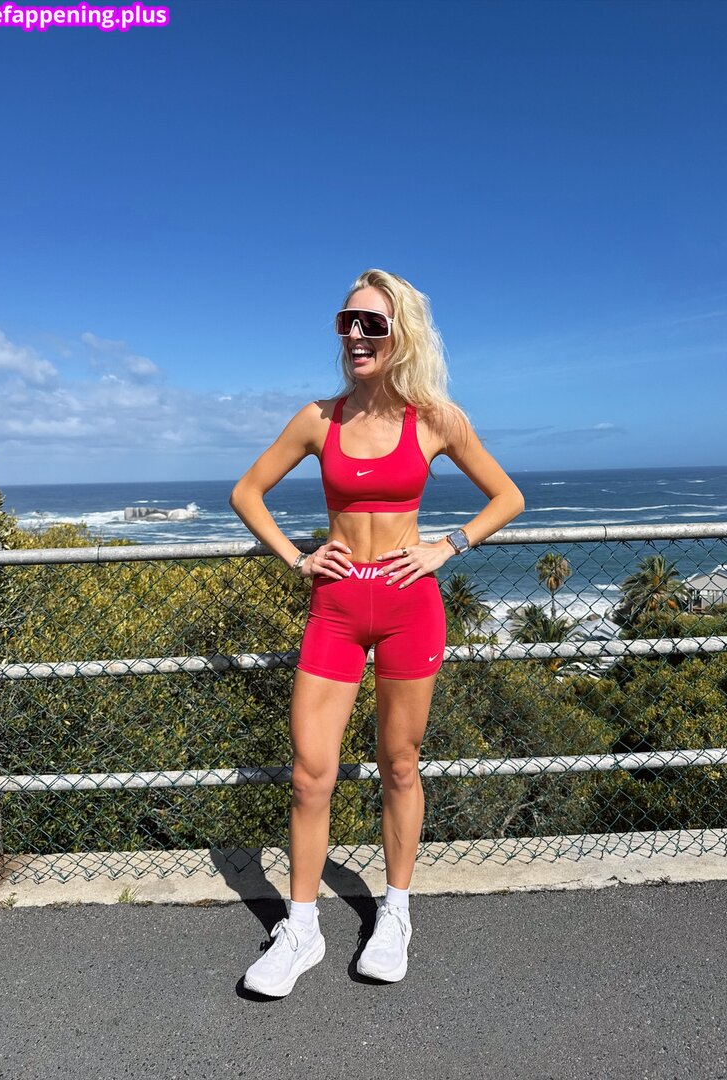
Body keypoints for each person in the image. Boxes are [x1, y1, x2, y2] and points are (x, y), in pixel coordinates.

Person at [230, 269, 525, 996]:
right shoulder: (318, 419)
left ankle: (395, 913)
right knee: (310, 773)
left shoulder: (435, 419)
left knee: (399, 764)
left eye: (373, 324)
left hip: (407, 608)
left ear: (402, 336)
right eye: (348, 322)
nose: (357, 335)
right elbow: (246, 492)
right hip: (334, 608)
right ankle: (301, 929)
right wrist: (297, 557)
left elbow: (507, 496)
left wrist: (446, 546)